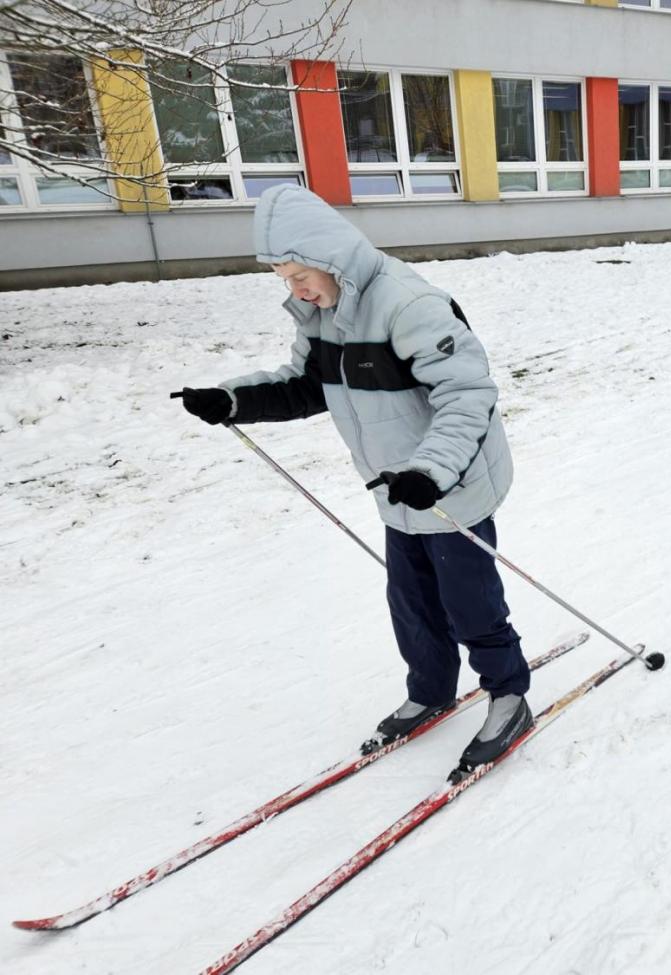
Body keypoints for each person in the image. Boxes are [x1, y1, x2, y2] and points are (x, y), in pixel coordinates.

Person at [176, 184, 531, 772]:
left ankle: (509, 695)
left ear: (331, 257)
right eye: (284, 279)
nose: (295, 290)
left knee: (470, 602)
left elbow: (467, 396)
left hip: (451, 486)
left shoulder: (409, 305)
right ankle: (431, 690)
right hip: (396, 490)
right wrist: (231, 400)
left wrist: (430, 470)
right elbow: (304, 385)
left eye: (299, 275)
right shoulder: (324, 316)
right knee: (412, 603)